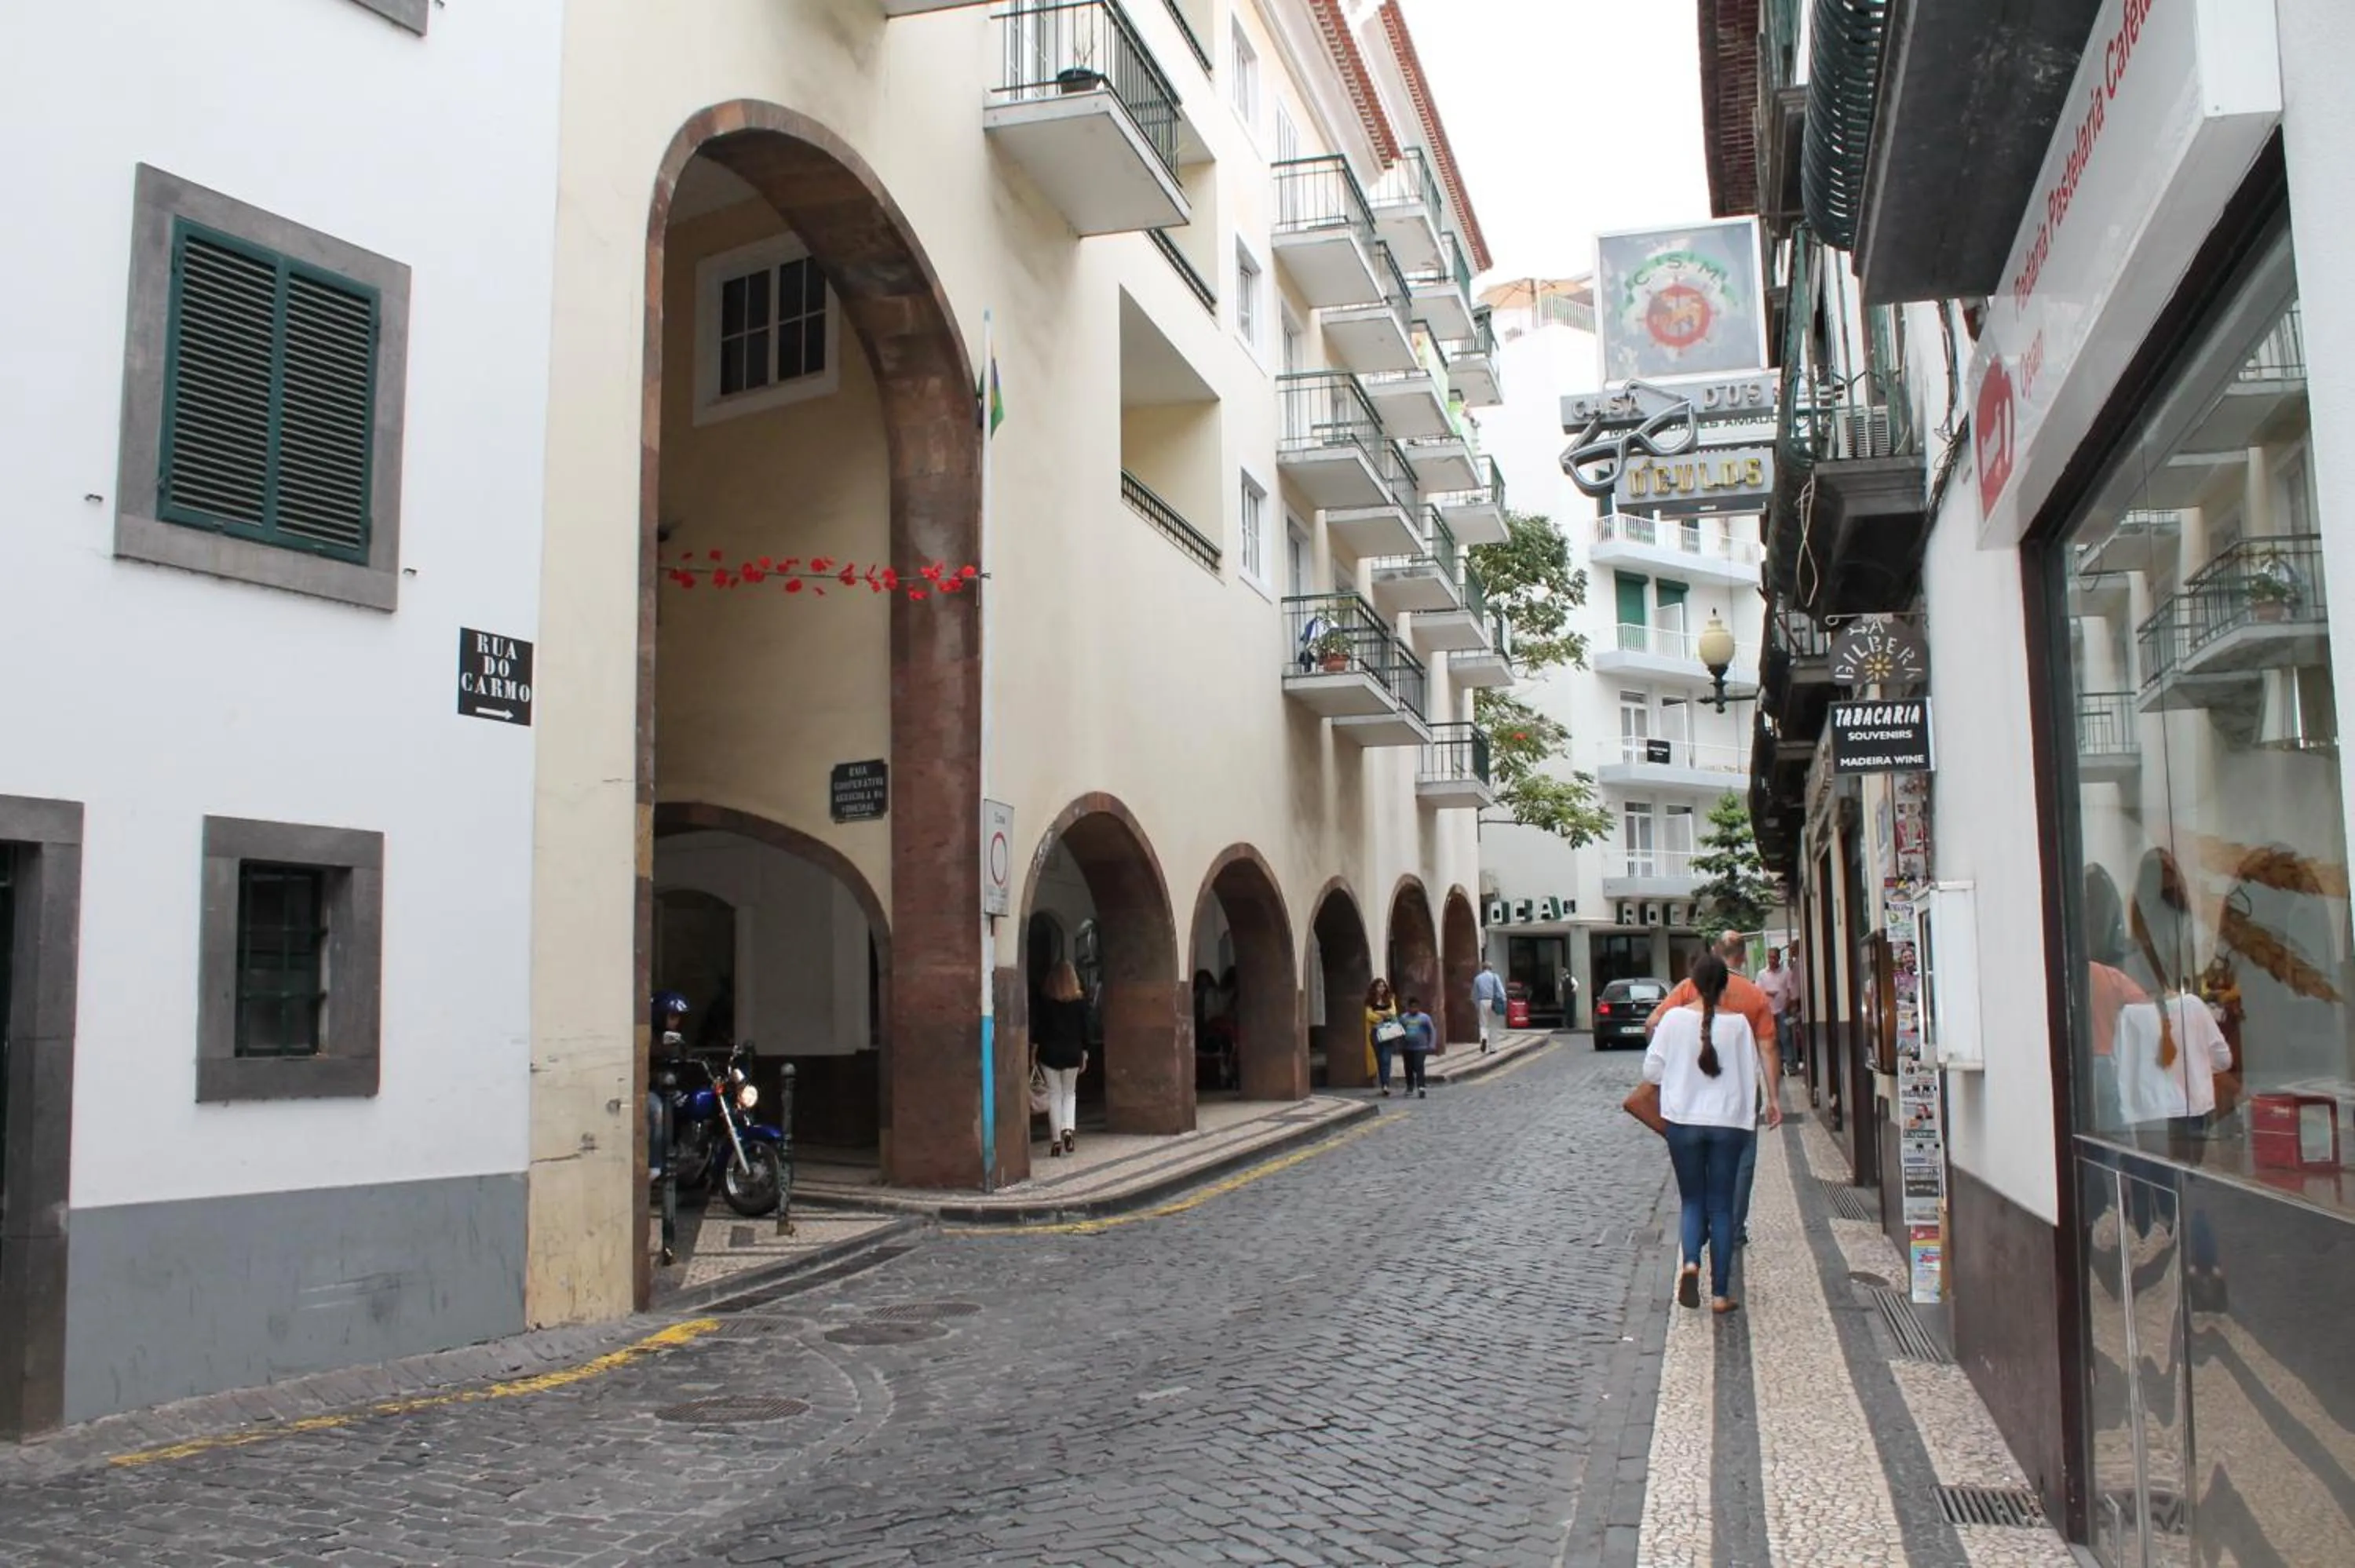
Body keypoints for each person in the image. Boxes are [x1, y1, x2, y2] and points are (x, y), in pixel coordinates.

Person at [1625, 954, 1773, 1312]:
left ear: (1691, 984)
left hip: (1683, 1122)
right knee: (1721, 1206)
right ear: (1724, 986)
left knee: (1692, 1200)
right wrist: (1749, 1119)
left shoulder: (1673, 1020)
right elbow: (1750, 1076)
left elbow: (1652, 1072)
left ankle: (1691, 1262)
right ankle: (1720, 1294)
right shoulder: (1739, 1025)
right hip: (1728, 1125)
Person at [1647, 933, 1781, 1245]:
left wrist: (1667, 1059)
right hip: (1739, 1092)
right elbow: (1768, 1047)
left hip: (1691, 1092)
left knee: (1697, 1165)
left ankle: (1700, 1227)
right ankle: (1733, 1228)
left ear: (1715, 953)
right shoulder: (1755, 995)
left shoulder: (1687, 988)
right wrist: (1773, 1098)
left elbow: (1653, 1022)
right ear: (1742, 957)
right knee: (1742, 1160)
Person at [1035, 961, 1090, 1157]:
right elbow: (1085, 1030)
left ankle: (1056, 1140)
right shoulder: (1080, 1002)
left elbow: (1038, 1030)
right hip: (1072, 1052)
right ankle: (1068, 1128)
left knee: (1054, 1095)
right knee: (1069, 1093)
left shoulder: (1045, 1002)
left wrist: (1033, 1052)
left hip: (1049, 1053)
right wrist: (1085, 1052)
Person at [1757, 946, 1797, 1072]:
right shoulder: (1762, 974)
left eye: (1774, 957)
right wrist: (1767, 993)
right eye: (1770, 957)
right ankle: (1776, 1066)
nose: (1772, 960)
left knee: (1785, 1037)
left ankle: (1790, 1065)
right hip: (1768, 1012)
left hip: (1782, 1010)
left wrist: (1788, 1005)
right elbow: (1757, 991)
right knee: (1771, 1039)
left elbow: (1791, 991)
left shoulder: (1786, 973)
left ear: (1779, 958)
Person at [1365, 978, 1404, 1096]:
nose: (1381, 989)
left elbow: (1393, 1013)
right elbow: (1369, 1016)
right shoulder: (1369, 1001)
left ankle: (1386, 1085)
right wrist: (1384, 1015)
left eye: (1383, 986)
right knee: (1379, 1059)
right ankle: (1383, 1084)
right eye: (1379, 986)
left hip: (1388, 1032)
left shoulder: (1390, 998)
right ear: (1374, 988)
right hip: (1375, 1033)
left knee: (1386, 1059)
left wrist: (1379, 1013)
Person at [1399, 995, 1437, 1098]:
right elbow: (1399, 1031)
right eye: (1411, 1007)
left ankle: (1421, 1087)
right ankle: (1410, 1086)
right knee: (1408, 1067)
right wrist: (1399, 1043)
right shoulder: (1403, 1018)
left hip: (1421, 1047)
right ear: (1408, 1007)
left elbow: (1432, 1031)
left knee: (1419, 1066)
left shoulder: (1425, 1018)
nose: (1413, 1009)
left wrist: (1432, 1044)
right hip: (1407, 1047)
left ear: (1419, 1007)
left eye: (1415, 1007)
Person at [1473, 961, 1508, 1053]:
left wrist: (1477, 1005)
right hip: (1493, 1002)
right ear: (1491, 968)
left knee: (1483, 1024)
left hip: (1482, 1002)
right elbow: (1501, 991)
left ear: (1483, 968)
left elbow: (1475, 994)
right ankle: (1493, 1047)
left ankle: (1484, 1038)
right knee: (1493, 1024)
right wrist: (1504, 1001)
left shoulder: (1478, 978)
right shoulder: (1495, 977)